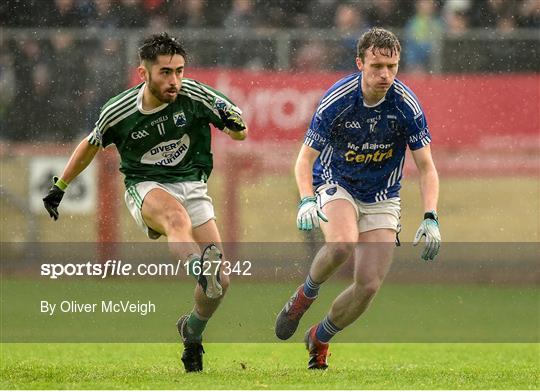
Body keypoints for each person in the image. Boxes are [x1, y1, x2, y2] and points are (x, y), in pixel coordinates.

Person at [42, 32, 248, 372]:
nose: (175, 80)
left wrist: (236, 125)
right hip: (146, 185)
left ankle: (192, 333)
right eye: (166, 72)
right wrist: (60, 185)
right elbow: (91, 145)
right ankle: (200, 269)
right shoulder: (119, 110)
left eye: (180, 71)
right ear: (144, 74)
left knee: (221, 285)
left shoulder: (195, 94)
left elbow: (239, 132)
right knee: (175, 220)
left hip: (193, 185)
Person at [275, 27, 440, 370]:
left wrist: (430, 216)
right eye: (377, 66)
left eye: (392, 67)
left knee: (368, 286)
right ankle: (306, 294)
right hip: (338, 183)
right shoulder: (338, 99)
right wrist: (307, 200)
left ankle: (320, 337)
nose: (385, 75)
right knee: (342, 244)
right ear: (359, 63)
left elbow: (426, 167)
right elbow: (304, 159)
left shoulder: (406, 105)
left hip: (383, 197)